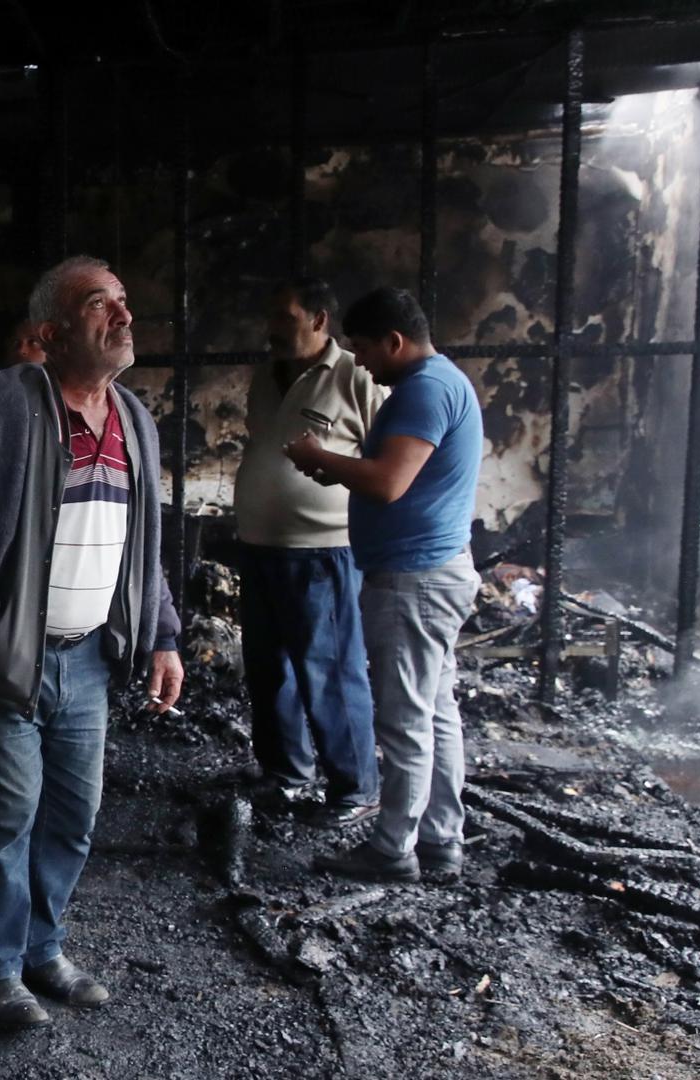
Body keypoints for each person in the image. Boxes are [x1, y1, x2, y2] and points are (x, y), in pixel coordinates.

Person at [0, 255, 184, 1028]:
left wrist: (162, 635)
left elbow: (143, 546)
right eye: (101, 305)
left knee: (70, 816)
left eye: (124, 302)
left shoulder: (133, 419)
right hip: (9, 659)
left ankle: (41, 949)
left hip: (91, 658)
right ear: (49, 332)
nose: (123, 317)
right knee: (4, 820)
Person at [284, 287, 482, 883]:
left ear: (395, 341)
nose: (360, 361)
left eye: (365, 348)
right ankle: (442, 840)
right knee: (434, 712)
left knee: (404, 721)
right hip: (430, 572)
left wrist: (319, 456)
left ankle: (394, 847)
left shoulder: (424, 390)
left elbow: (389, 482)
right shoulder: (441, 383)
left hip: (413, 581)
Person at [234, 278, 385, 827]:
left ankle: (355, 787)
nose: (272, 327)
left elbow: (388, 461)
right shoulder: (264, 376)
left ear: (320, 320)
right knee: (269, 668)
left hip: (321, 551)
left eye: (285, 315)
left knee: (329, 670)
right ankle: (286, 772)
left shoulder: (357, 376)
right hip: (259, 547)